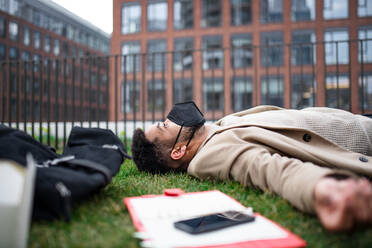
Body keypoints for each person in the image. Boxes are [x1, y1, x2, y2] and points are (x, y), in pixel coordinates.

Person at [131, 101, 372, 231]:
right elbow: (268, 170)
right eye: (165, 125)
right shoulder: (212, 155)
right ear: (178, 151)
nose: (171, 119)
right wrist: (320, 188)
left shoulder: (217, 128)